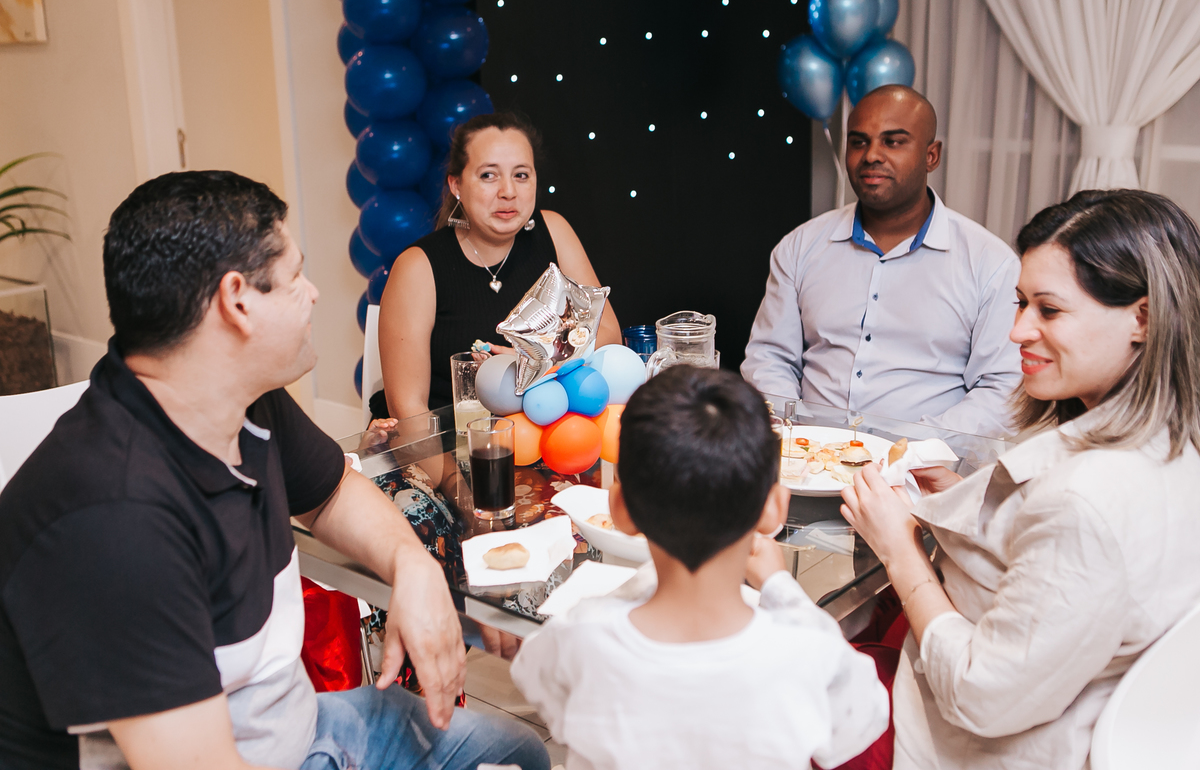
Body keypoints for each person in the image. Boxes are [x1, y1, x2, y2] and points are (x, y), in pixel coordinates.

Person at [0, 171, 549, 770]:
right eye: (295, 278)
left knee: (520, 753)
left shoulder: (236, 396)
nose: (313, 294)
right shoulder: (113, 520)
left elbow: (332, 492)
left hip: (303, 731)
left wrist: (412, 566)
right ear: (237, 301)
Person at [840, 189, 1200, 769]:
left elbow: (979, 698)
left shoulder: (1087, 502)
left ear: (1143, 318)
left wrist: (898, 550)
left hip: (966, 744)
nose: (1018, 332)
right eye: (1020, 303)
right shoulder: (1173, 444)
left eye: (1048, 310)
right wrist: (963, 494)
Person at [510, 365, 889, 769]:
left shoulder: (578, 636)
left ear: (619, 508)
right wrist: (780, 586)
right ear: (775, 508)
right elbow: (859, 723)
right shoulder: (811, 652)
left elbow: (536, 682)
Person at [742, 85, 1021, 438]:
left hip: (926, 466)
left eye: (893, 141)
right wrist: (792, 436)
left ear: (931, 156)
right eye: (859, 142)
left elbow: (1002, 389)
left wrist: (912, 451)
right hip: (809, 456)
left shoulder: (990, 264)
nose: (871, 155)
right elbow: (770, 358)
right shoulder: (800, 246)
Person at [378, 112, 621, 420]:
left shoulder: (554, 231)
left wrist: (541, 356)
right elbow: (408, 408)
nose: (508, 191)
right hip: (457, 439)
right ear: (456, 184)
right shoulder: (418, 266)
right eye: (488, 175)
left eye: (521, 175)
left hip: (550, 431)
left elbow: (609, 333)